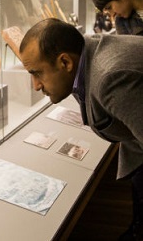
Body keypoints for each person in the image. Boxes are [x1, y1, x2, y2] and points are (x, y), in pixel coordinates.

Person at [19, 18, 143, 240]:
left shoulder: (109, 78)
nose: (36, 86)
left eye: (38, 73)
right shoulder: (86, 52)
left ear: (65, 62)